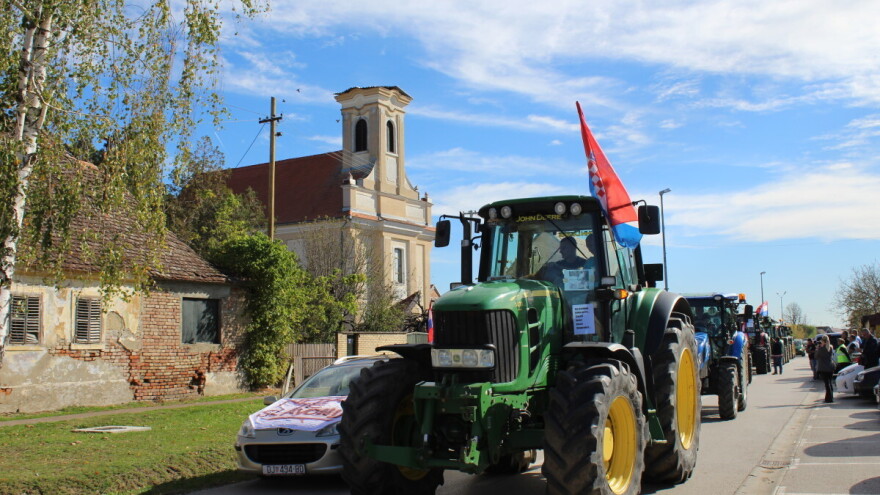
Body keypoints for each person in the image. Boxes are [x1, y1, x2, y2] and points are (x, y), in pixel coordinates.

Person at [815, 334, 836, 403]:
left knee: (827, 384)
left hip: (824, 368)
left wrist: (818, 348)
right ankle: (830, 397)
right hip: (830, 366)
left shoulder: (821, 349)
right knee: (830, 383)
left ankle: (828, 398)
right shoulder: (831, 347)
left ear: (823, 341)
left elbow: (816, 356)